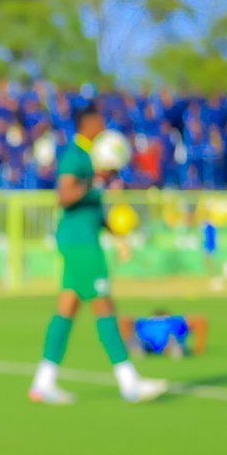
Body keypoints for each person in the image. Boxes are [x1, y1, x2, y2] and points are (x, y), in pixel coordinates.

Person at [28, 102, 166, 405]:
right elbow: (64, 196)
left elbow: (90, 206)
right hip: (80, 244)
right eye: (99, 122)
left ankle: (43, 381)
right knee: (104, 305)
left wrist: (116, 235)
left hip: (84, 237)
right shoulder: (76, 156)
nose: (103, 127)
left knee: (67, 308)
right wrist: (96, 182)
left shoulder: (91, 156)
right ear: (86, 124)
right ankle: (130, 383)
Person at [123, 310, 208, 358]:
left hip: (146, 339)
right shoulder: (175, 320)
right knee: (171, 341)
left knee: (135, 340)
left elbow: (125, 321)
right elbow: (200, 321)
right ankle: (172, 347)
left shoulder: (145, 321)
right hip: (167, 338)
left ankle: (137, 347)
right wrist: (198, 348)